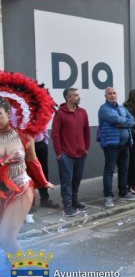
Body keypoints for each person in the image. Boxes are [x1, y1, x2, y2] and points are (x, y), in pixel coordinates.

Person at [0, 72, 55, 254]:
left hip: (19, 188)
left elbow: (32, 160)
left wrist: (43, 182)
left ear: (8, 114)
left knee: (6, 237)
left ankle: (24, 275)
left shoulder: (24, 136)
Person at [51, 88, 91, 216]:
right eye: (75, 95)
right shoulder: (59, 114)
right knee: (66, 181)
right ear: (68, 98)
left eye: (78, 95)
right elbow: (55, 134)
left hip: (80, 153)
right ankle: (67, 205)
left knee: (77, 179)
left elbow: (86, 131)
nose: (78, 97)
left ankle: (74, 201)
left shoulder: (83, 112)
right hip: (66, 155)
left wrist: (86, 148)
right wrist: (58, 153)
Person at [98, 87, 135, 208]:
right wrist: (123, 122)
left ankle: (123, 192)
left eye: (114, 93)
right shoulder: (103, 109)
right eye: (110, 94)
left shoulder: (122, 108)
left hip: (125, 144)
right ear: (105, 96)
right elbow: (115, 119)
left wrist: (121, 124)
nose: (112, 95)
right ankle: (108, 196)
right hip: (111, 144)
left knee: (124, 169)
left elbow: (133, 121)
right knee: (109, 170)